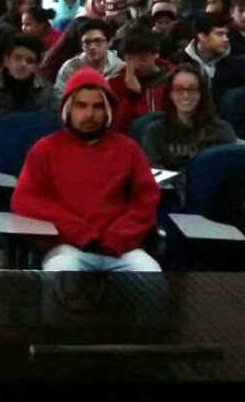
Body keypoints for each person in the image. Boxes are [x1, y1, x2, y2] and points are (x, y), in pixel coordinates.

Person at [11, 68, 161, 272]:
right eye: (81, 106)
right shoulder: (45, 149)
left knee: (151, 274)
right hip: (67, 247)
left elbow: (145, 201)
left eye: (97, 107)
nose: (89, 114)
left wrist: (118, 237)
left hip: (121, 248)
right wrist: (79, 232)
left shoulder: (128, 149)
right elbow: (26, 199)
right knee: (63, 271)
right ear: (68, 109)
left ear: (108, 110)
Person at [142, 62, 236, 174]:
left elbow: (228, 169)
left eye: (192, 89)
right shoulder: (154, 132)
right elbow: (154, 171)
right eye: (178, 89)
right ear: (170, 94)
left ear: (201, 93)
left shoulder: (222, 130)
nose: (185, 95)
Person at [170, 13, 245, 104]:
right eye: (220, 34)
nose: (226, 39)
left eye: (226, 34)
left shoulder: (235, 66)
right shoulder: (177, 62)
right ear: (202, 36)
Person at [107, 27, 174, 132]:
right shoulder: (115, 82)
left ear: (156, 54)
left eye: (143, 59)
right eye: (130, 59)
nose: (137, 65)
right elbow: (114, 126)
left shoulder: (173, 78)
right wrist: (131, 96)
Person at [54, 18, 124, 94]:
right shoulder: (70, 68)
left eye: (98, 41)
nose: (92, 47)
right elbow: (59, 96)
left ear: (109, 42)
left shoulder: (119, 67)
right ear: (81, 45)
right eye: (87, 42)